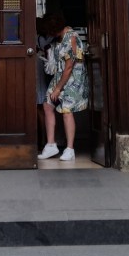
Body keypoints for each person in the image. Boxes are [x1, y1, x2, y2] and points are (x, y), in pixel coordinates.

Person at [37, 15, 89, 162]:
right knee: (47, 104)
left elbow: (69, 67)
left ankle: (70, 149)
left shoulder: (71, 37)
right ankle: (51, 145)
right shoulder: (58, 38)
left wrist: (58, 88)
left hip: (73, 77)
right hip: (60, 75)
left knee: (66, 110)